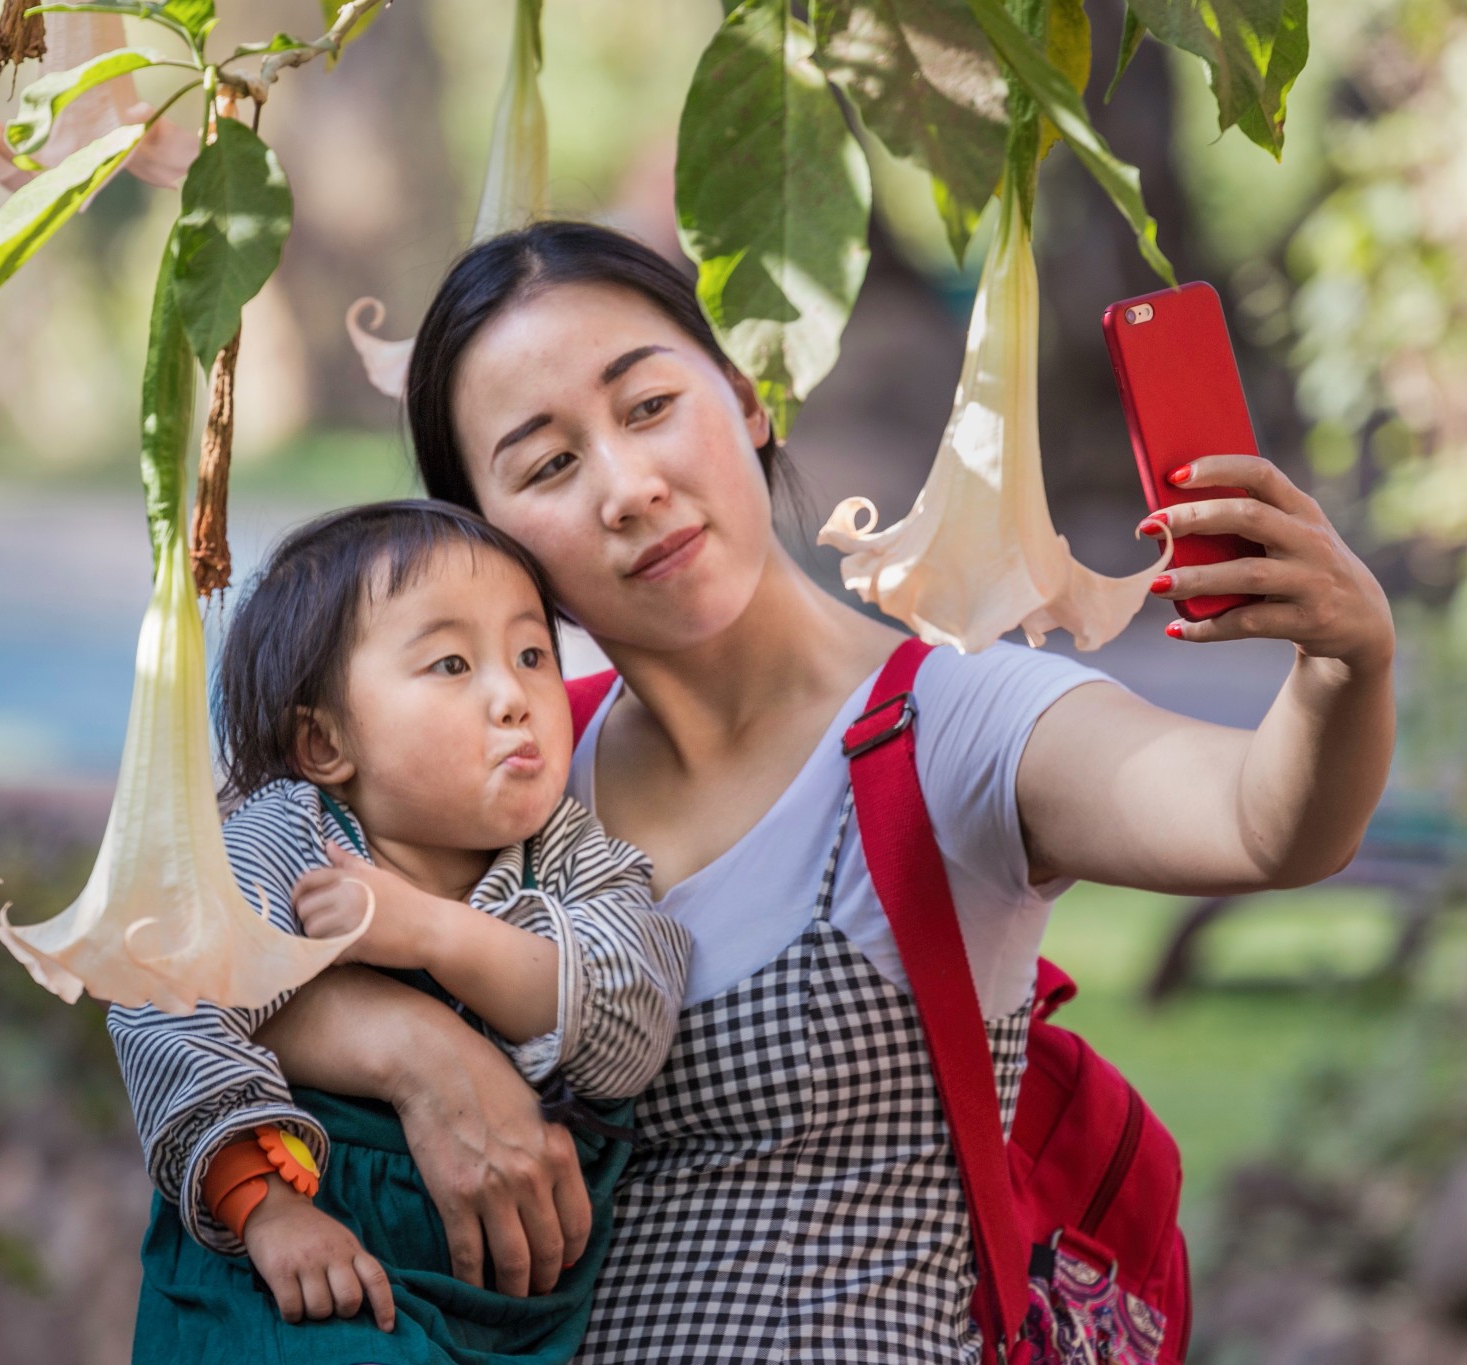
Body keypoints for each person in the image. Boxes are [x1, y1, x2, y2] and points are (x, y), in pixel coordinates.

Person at [252, 221, 1397, 1362]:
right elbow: (209, 961)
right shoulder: (511, 769)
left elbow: (1260, 822)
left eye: (648, 406)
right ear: (486, 536)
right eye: (547, 464)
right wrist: (418, 1053)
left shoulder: (950, 725)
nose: (629, 486)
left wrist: (1343, 666)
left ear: (748, 399)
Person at [109, 501, 693, 1363]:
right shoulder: (285, 840)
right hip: (295, 1266)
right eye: (452, 663)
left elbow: (628, 1024)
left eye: (533, 654)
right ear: (323, 741)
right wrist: (267, 1209)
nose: (515, 697)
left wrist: (433, 932)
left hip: (506, 1304)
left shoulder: (573, 855)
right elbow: (166, 998)